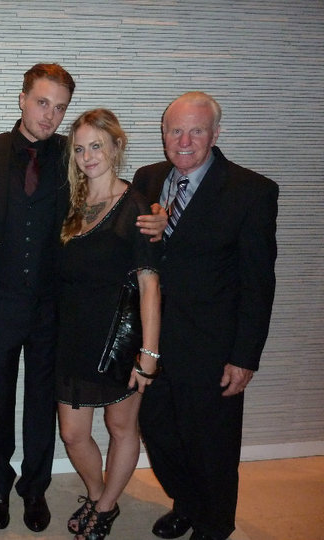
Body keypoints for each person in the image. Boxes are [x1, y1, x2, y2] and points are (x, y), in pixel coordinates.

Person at [132, 92, 278, 540]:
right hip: (154, 341)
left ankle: (215, 524)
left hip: (213, 348)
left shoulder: (251, 191)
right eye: (175, 130)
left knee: (211, 445)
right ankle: (187, 504)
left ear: (216, 134)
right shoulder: (146, 179)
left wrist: (244, 357)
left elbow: (258, 283)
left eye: (196, 130)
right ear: (163, 134)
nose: (185, 141)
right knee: (158, 431)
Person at [0, 62, 75, 532]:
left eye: (60, 108)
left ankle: (35, 488)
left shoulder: (74, 154)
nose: (50, 115)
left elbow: (105, 195)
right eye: (42, 102)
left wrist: (149, 212)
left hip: (51, 304)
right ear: (22, 99)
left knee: (41, 402)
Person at [55, 109, 162, 540]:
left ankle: (104, 508)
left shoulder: (136, 207)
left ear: (116, 146)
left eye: (96, 146)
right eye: (80, 149)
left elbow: (150, 286)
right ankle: (101, 495)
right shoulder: (72, 202)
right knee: (72, 434)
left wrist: (149, 355)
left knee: (121, 428)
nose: (87, 157)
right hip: (72, 336)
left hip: (120, 339)